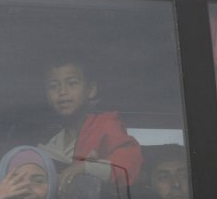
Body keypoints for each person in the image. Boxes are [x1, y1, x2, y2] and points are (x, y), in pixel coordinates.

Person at [40, 60, 142, 191]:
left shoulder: (105, 125)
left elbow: (129, 165)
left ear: (91, 90)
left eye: (71, 83)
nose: (62, 91)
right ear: (47, 96)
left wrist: (86, 167)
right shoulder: (48, 140)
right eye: (53, 86)